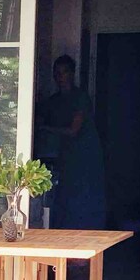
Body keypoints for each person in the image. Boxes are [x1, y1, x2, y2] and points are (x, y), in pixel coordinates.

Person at [40, 54, 106, 229]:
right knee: (62, 201)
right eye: (57, 73)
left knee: (83, 202)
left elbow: (73, 130)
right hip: (64, 159)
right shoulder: (53, 101)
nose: (60, 77)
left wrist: (47, 128)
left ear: (72, 73)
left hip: (85, 158)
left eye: (64, 72)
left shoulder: (80, 98)